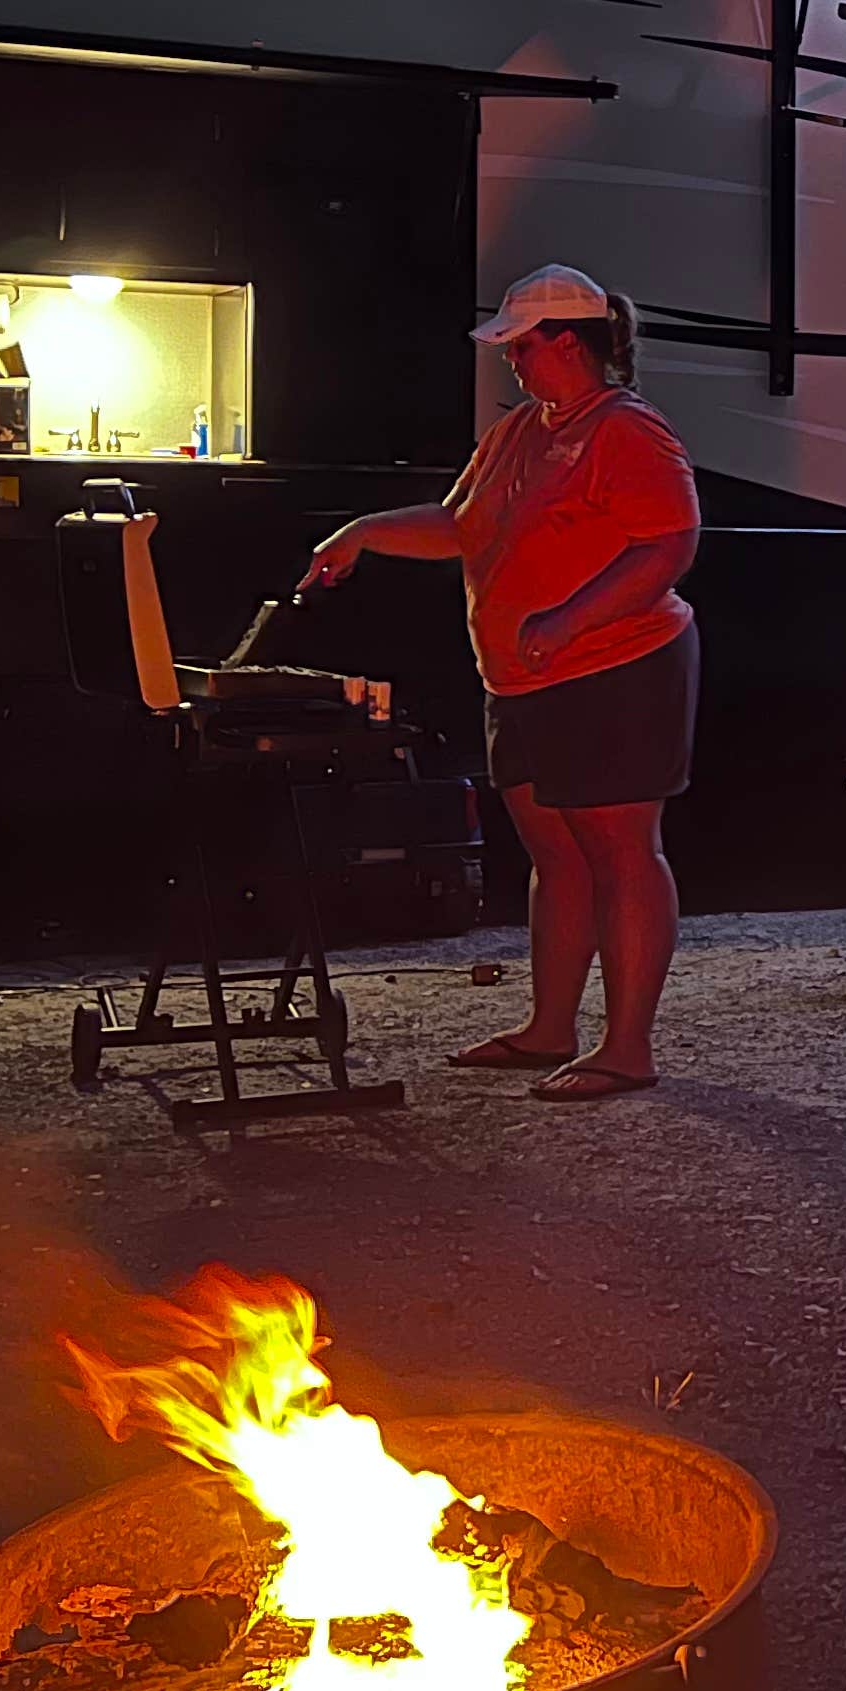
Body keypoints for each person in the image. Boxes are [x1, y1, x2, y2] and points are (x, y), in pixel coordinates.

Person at [300, 264, 699, 1099]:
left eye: (519, 346)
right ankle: (550, 1029)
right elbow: (459, 525)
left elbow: (668, 546)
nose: (510, 361)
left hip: (613, 670)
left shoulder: (628, 431)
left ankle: (628, 1048)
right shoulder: (520, 430)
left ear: (565, 343)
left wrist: (567, 621)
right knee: (556, 852)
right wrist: (364, 532)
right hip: (523, 680)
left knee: (621, 851)